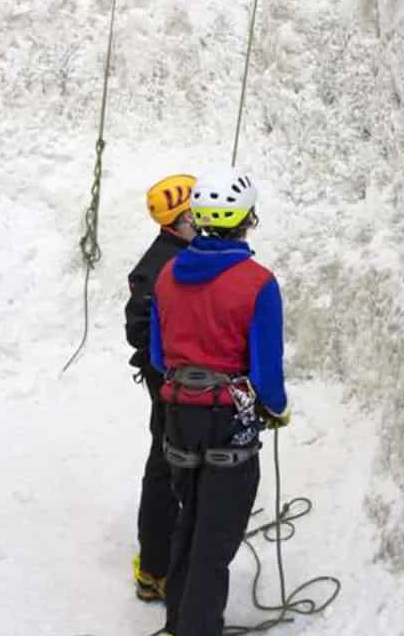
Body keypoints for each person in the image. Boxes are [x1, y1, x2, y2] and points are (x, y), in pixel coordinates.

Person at [148, 168, 289, 636]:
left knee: (189, 518)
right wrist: (277, 407)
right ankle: (196, 628)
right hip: (229, 420)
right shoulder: (257, 283)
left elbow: (156, 352)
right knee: (217, 535)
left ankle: (177, 620)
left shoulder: (168, 274)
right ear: (249, 219)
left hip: (178, 416)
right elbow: (266, 371)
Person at [126, 173, 198, 603]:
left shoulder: (176, 255)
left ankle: (158, 562)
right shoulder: (160, 267)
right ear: (180, 219)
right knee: (166, 464)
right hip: (169, 382)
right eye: (196, 212)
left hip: (169, 378)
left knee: (168, 461)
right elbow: (138, 330)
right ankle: (156, 566)